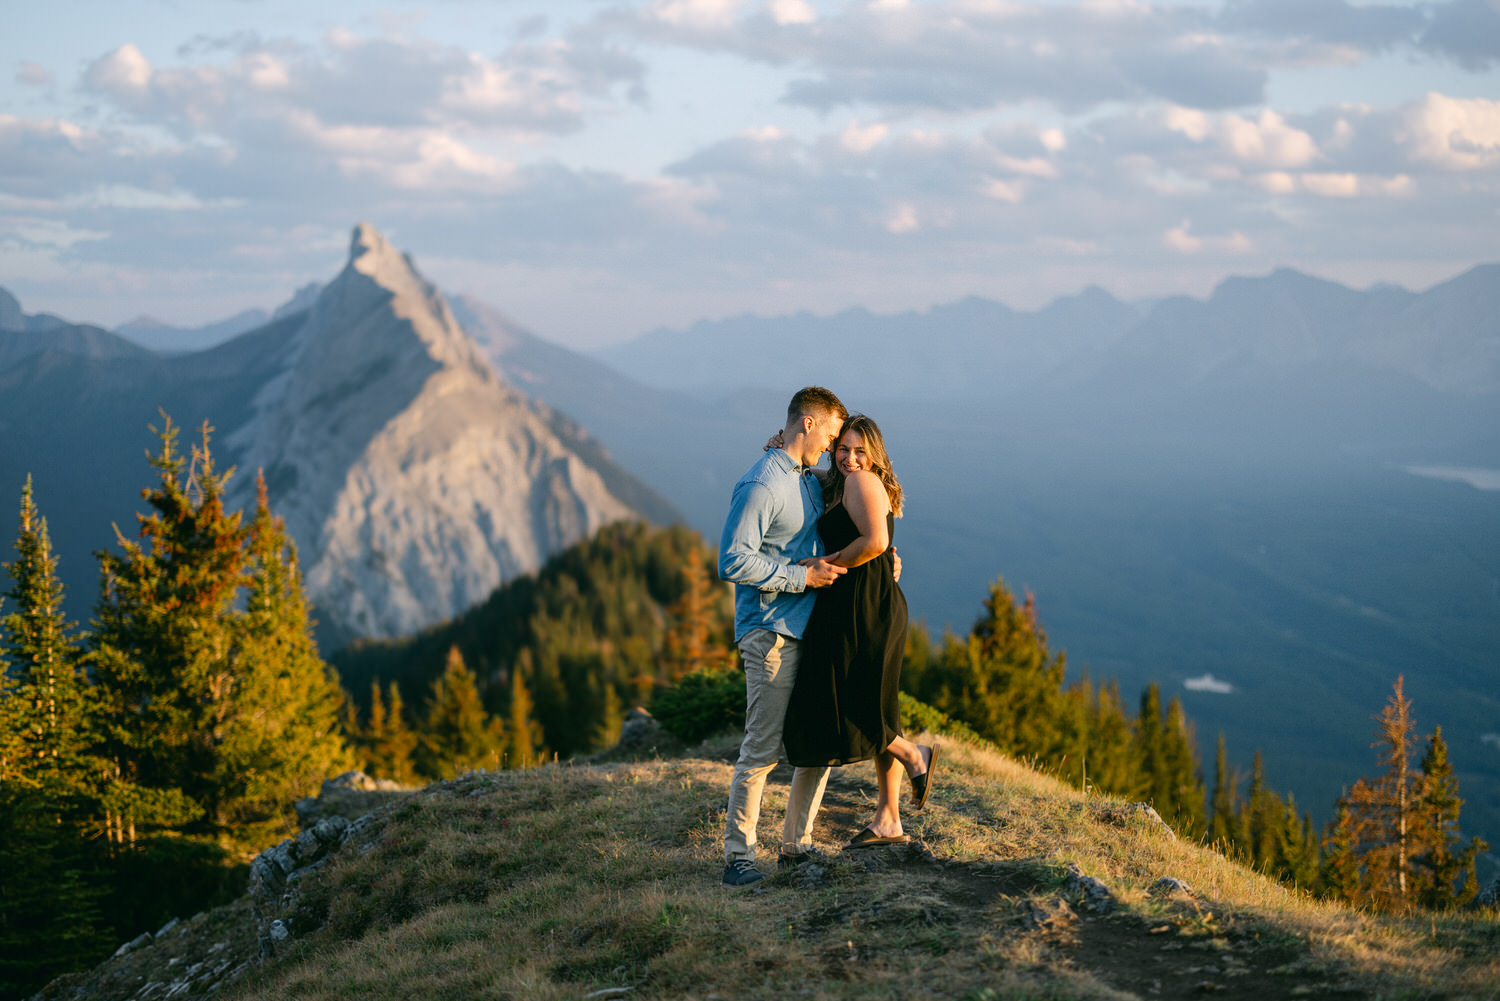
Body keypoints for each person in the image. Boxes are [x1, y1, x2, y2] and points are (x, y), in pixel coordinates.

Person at [717, 386, 850, 888]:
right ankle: (739, 858)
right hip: (770, 632)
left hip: (809, 628)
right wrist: (801, 578)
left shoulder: (804, 477)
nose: (833, 448)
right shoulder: (760, 485)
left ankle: (797, 845)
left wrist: (882, 558)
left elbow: (836, 517)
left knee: (818, 743)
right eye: (831, 435)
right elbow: (732, 559)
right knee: (763, 749)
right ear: (809, 425)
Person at [783, 414, 936, 848]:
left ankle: (912, 753)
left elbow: (875, 543)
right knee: (879, 704)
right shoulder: (843, 482)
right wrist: (785, 450)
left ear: (874, 455)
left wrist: (825, 564)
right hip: (861, 604)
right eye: (843, 449)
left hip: (867, 609)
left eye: (859, 451)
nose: (850, 458)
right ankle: (889, 819)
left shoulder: (859, 482)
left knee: (857, 698)